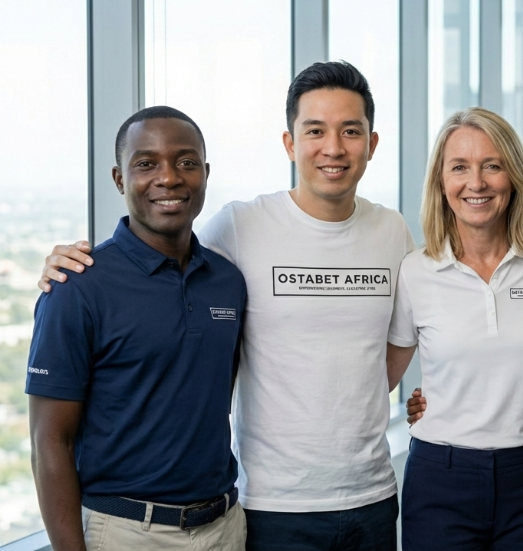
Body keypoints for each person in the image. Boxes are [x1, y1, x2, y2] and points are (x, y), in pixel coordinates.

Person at [37, 61, 415, 551]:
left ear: (372, 142)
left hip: (368, 495)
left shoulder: (394, 232)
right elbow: (160, 237)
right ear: (289, 143)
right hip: (270, 505)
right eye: (315, 130)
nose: (334, 147)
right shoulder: (238, 227)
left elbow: (404, 335)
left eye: (350, 131)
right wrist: (60, 266)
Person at [27, 106, 247, 550]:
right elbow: (49, 441)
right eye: (146, 164)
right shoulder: (76, 286)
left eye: (186, 162)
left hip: (225, 527)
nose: (169, 178)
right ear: (118, 179)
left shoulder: (228, 282)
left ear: (205, 173)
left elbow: (215, 397)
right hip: (127, 533)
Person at [386, 108, 523, 550]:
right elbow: (380, 375)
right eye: (460, 167)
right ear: (441, 182)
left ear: (514, 175)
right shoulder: (415, 271)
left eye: (492, 165)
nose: (477, 183)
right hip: (440, 481)